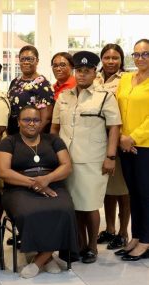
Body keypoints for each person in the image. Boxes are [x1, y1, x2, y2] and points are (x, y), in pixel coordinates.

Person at [51, 51, 121, 264]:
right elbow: (55, 128)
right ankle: (79, 244)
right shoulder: (64, 96)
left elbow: (114, 128)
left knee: (89, 205)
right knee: (73, 206)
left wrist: (111, 156)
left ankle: (91, 247)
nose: (81, 75)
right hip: (66, 161)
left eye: (86, 71)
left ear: (94, 72)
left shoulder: (105, 97)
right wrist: (52, 155)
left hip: (92, 160)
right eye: (78, 71)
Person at [0, 106, 77, 278]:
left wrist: (47, 179)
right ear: (18, 122)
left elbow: (66, 166)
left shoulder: (53, 140)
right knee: (30, 211)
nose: (31, 124)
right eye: (26, 120)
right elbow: (3, 172)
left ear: (41, 123)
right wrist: (35, 183)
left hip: (52, 184)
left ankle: (40, 259)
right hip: (18, 187)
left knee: (64, 210)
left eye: (36, 120)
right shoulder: (8, 142)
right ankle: (46, 257)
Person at [115, 39, 149, 261]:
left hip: (144, 146)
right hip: (123, 144)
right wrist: (120, 137)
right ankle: (136, 236)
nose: (140, 59)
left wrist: (133, 138)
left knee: (146, 194)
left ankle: (146, 241)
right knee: (133, 193)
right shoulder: (126, 79)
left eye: (145, 54)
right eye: (136, 54)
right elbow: (115, 110)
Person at [94, 44, 130, 250]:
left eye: (115, 58)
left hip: (118, 139)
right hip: (100, 141)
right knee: (108, 189)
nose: (110, 61)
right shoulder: (96, 79)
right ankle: (109, 229)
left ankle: (123, 232)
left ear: (121, 60)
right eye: (106, 57)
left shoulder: (125, 80)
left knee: (123, 190)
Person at [7, 45, 54, 135]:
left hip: (31, 134)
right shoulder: (15, 82)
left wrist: (31, 137)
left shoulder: (43, 84)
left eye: (30, 59)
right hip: (13, 133)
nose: (26, 62)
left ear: (37, 61)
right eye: (23, 59)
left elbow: (46, 118)